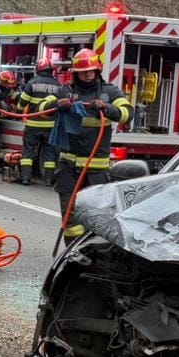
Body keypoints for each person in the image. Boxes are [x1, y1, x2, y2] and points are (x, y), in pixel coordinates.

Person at [54, 48, 133, 240]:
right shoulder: (66, 91)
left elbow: (127, 113)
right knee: (71, 216)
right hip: (68, 167)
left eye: (91, 70)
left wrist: (107, 108)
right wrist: (57, 105)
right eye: (83, 70)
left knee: (96, 214)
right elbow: (40, 108)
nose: (88, 74)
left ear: (97, 70)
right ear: (76, 72)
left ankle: (92, 253)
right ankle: (73, 254)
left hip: (95, 168)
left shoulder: (110, 92)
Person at [19, 59, 62, 186]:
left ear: (38, 70)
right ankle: (48, 180)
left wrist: (19, 110)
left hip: (33, 124)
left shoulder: (32, 83)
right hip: (50, 126)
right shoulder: (58, 85)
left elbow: (22, 103)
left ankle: (26, 178)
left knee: (28, 151)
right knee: (50, 153)